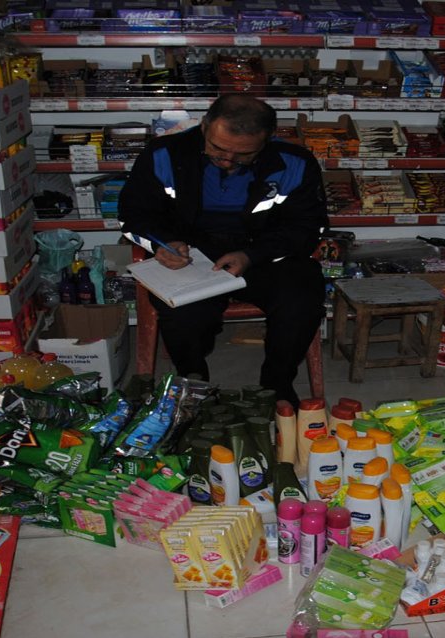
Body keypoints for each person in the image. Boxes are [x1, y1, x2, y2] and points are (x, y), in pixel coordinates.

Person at [118, 94, 328, 406]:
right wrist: (162, 243)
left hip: (265, 254)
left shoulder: (295, 162)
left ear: (267, 140)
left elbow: (308, 227)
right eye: (218, 149)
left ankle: (277, 384)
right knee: (182, 312)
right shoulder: (163, 154)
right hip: (190, 254)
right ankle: (194, 383)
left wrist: (252, 256)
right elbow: (133, 215)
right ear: (204, 127)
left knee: (302, 299)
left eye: (243, 155)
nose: (227, 161)